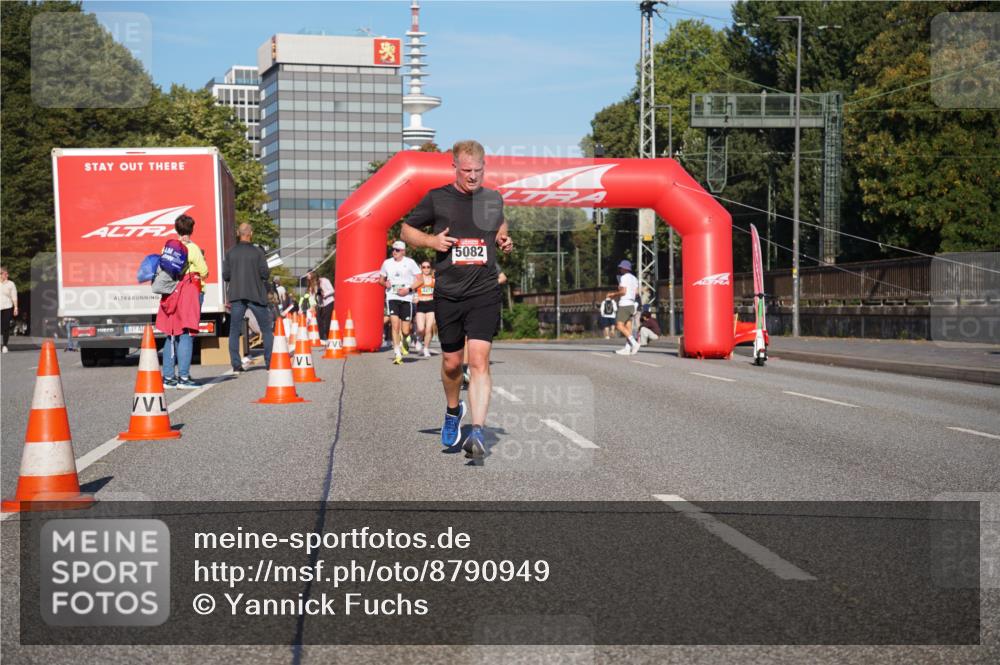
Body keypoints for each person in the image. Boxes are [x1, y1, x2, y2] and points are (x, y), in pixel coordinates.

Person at [401, 139, 513, 458]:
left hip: (484, 290)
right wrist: (431, 241)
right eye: (466, 171)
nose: (473, 176)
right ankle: (453, 410)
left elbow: (500, 223)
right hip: (448, 293)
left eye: (478, 170)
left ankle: (476, 431)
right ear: (454, 167)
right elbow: (406, 231)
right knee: (452, 364)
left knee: (478, 360)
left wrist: (503, 238)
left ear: (484, 167)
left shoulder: (492, 198)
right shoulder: (437, 198)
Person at [161, 215, 208, 389]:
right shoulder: (193, 248)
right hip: (189, 293)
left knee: (171, 333)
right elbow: (204, 271)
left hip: (172, 293)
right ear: (191, 229)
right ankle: (184, 377)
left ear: (176, 229)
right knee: (187, 333)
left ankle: (168, 377)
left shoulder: (168, 248)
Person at [223, 223, 273, 373]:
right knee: (266, 329)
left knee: (234, 330)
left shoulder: (230, 252)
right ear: (251, 233)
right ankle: (270, 362)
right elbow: (265, 274)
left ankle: (236, 364)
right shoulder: (258, 252)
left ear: (238, 233)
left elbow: (226, 276)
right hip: (256, 294)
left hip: (237, 294)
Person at [379, 240, 421, 365]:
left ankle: (406, 339)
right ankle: (397, 353)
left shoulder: (410, 262)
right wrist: (385, 283)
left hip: (406, 298)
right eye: (393, 249)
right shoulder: (387, 263)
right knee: (395, 325)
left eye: (397, 250)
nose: (394, 252)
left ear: (403, 251)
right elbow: (380, 280)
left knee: (406, 330)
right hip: (392, 297)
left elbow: (420, 280)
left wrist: (408, 290)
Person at [607, 259, 640, 355]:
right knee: (628, 326)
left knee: (619, 325)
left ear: (624, 268)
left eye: (621, 268)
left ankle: (634, 343)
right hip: (632, 304)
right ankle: (627, 348)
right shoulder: (634, 278)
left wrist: (613, 294)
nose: (620, 269)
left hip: (624, 304)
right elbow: (636, 293)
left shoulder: (624, 277)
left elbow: (623, 292)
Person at [411, 261, 436, 358]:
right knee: (421, 328)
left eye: (428, 267)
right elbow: (412, 290)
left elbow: (438, 292)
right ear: (421, 268)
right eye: (424, 267)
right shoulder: (418, 280)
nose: (426, 269)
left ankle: (426, 348)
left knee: (429, 329)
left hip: (431, 305)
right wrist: (414, 297)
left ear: (430, 268)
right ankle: (418, 339)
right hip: (420, 305)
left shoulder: (434, 280)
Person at [308, 271, 335, 340]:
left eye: (309, 276)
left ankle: (328, 338)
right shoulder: (312, 285)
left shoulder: (324, 281)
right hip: (319, 305)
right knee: (319, 321)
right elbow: (311, 296)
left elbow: (332, 290)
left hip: (328, 303)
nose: (308, 278)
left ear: (313, 276)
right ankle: (321, 338)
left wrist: (324, 294)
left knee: (327, 321)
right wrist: (312, 305)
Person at [0, 266, 17, 353]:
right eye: (4, 274)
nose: (6, 275)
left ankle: (5, 345)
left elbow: (14, 296)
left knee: (5, 327)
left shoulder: (11, 284)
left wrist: (16, 307)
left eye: (6, 274)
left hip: (7, 307)